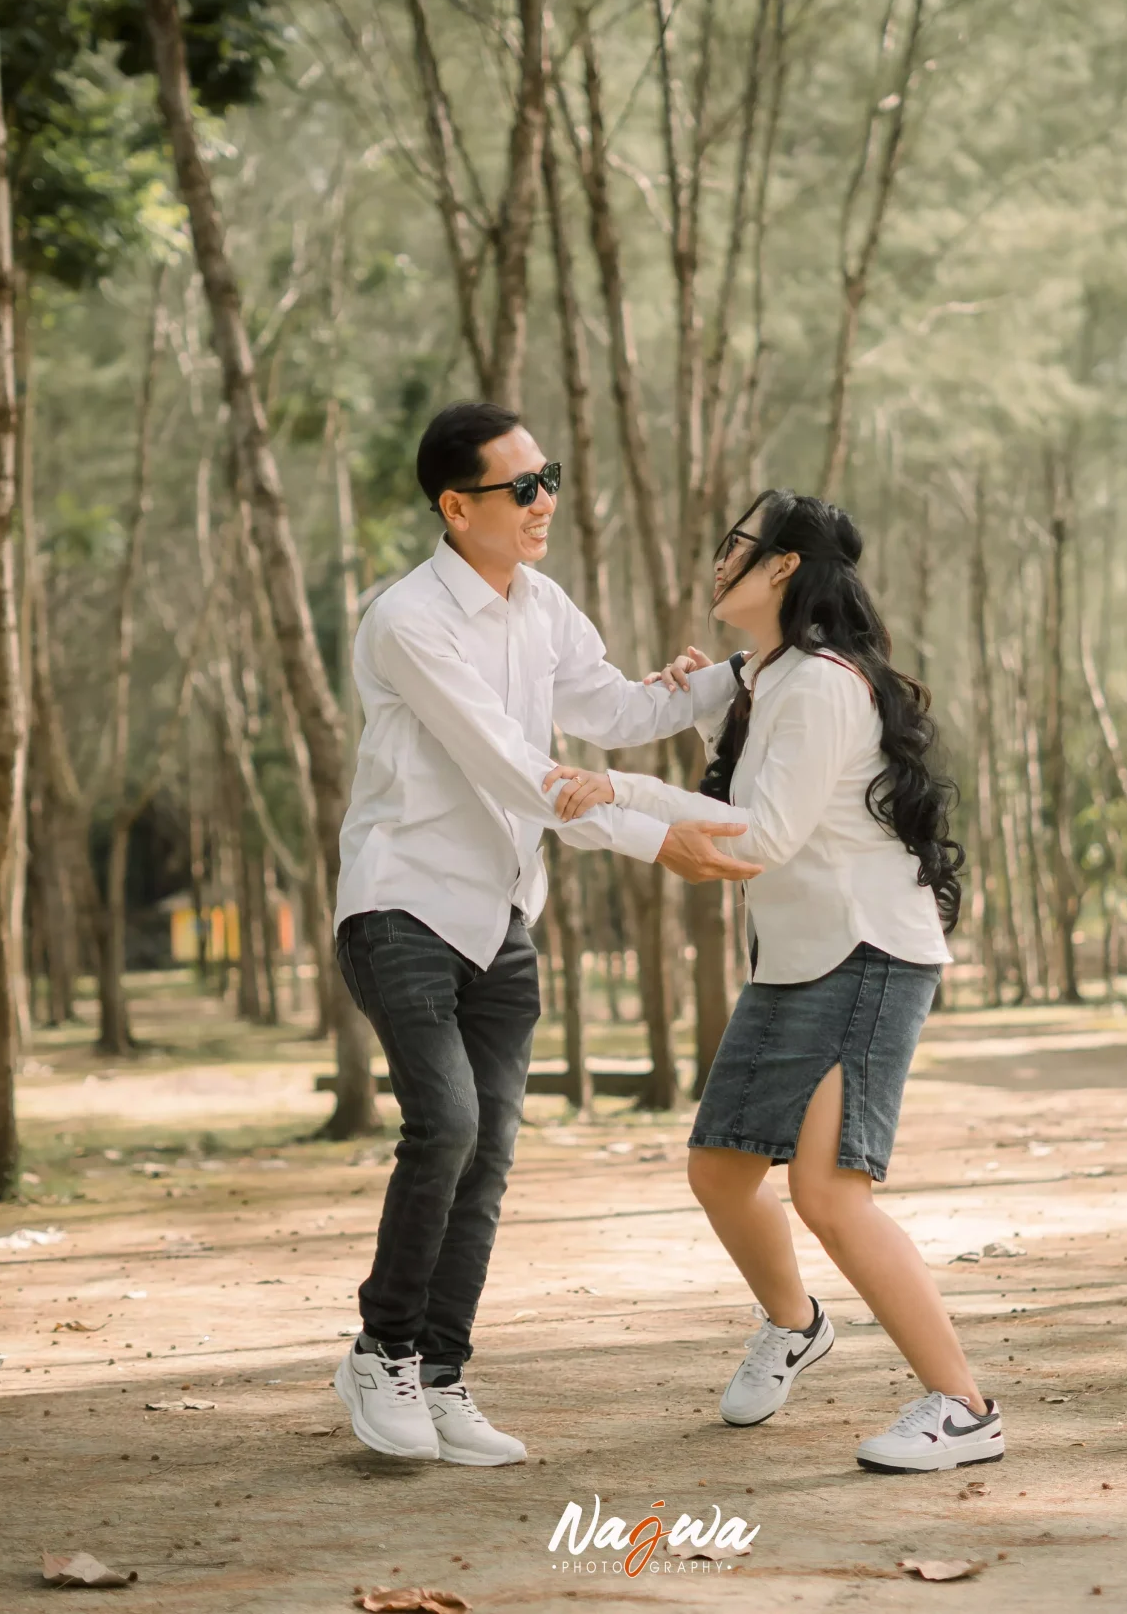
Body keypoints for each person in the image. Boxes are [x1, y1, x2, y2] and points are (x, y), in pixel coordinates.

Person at [330, 400, 762, 1468]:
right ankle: (381, 1351)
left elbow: (612, 712)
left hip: (504, 915)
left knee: (488, 1155)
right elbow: (513, 768)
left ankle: (441, 1374)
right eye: (522, 487)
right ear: (454, 506)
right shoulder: (408, 620)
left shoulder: (544, 603)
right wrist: (655, 836)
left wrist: (744, 669)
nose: (545, 502)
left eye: (550, 477)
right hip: (404, 904)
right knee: (446, 1124)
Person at [545, 489, 1000, 1474]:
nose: (719, 563)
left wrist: (620, 790)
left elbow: (766, 837)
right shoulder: (764, 676)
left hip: (864, 951)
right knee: (719, 1171)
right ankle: (796, 1323)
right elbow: (693, 757)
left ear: (784, 566)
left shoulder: (824, 684)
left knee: (829, 1194)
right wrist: (685, 721)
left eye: (736, 547)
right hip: (796, 959)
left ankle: (964, 1408)